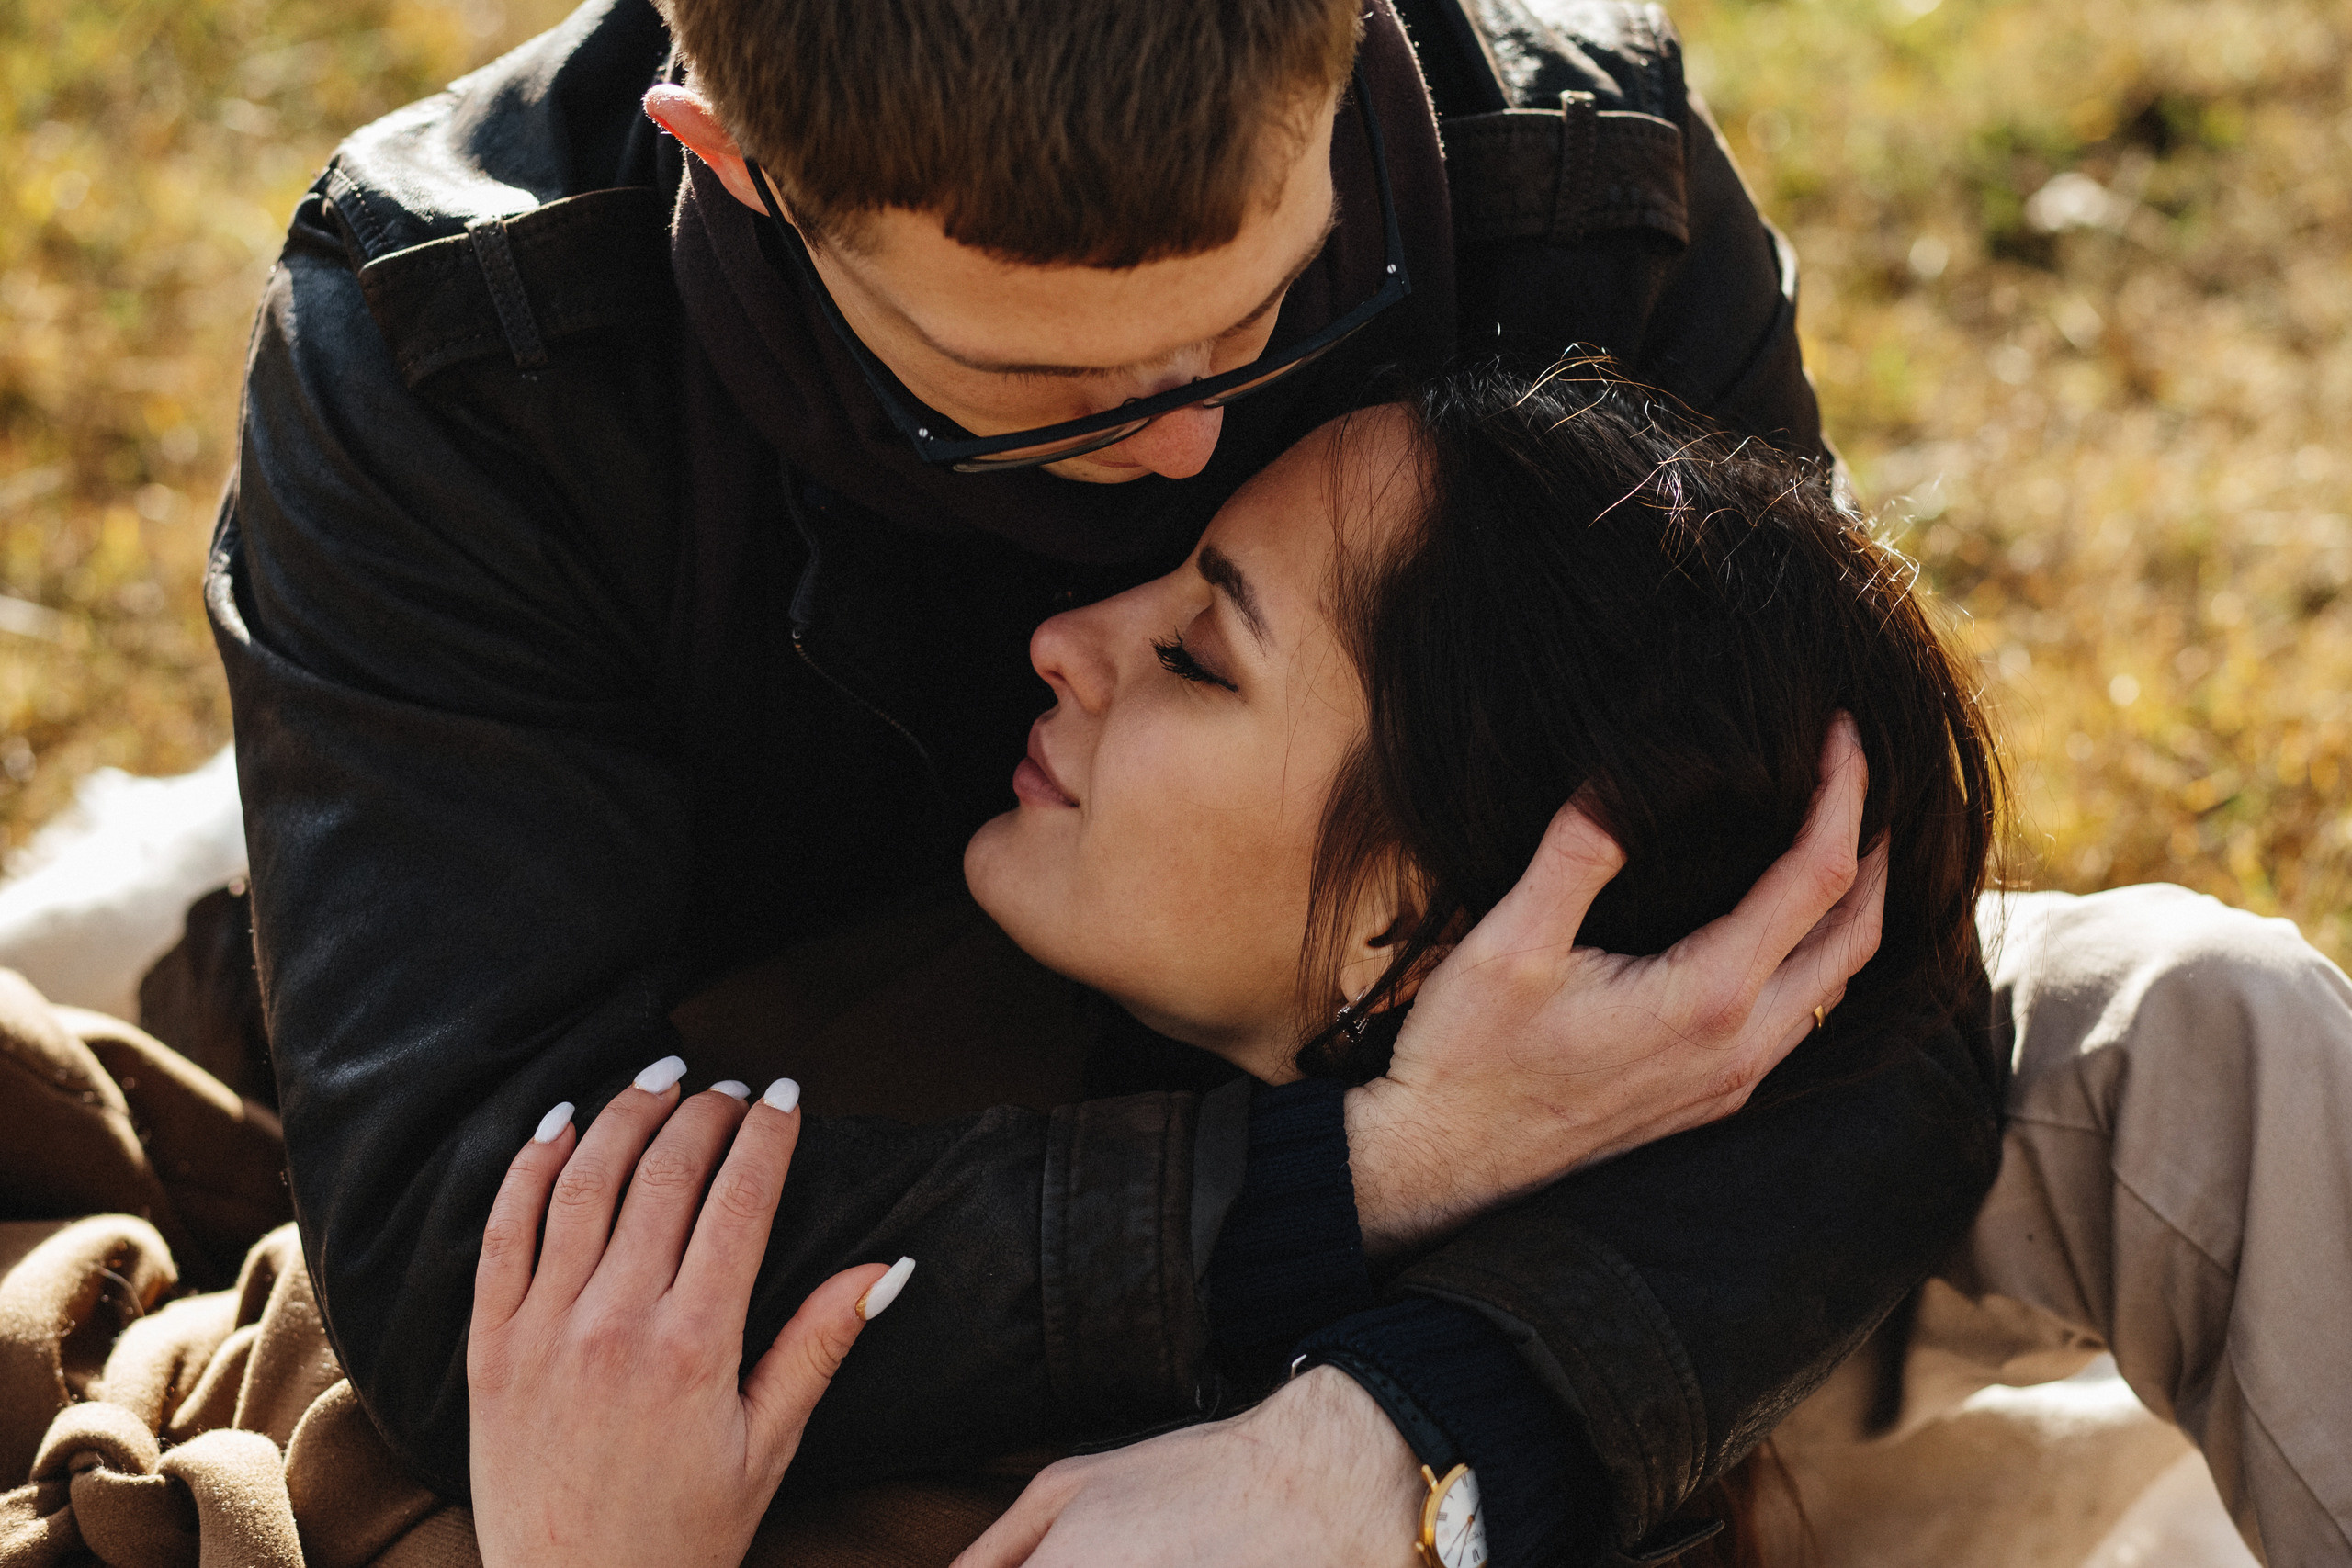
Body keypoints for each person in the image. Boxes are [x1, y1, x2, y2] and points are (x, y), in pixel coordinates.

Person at [205, 0, 1962, 1559]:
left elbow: (1872, 991)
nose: (1188, 445)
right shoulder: (455, 350)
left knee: (2153, 1020)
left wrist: (1417, 1440)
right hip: (751, 1004)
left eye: (1271, 311)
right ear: (735, 166)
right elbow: (475, 1260)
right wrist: (1374, 1165)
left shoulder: (1576, 180)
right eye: (1034, 390)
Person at [462, 365, 2004, 1567]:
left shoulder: (1180, 1500)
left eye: (1201, 657)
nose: (1067, 635)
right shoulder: (883, 1028)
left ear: (1441, 937)